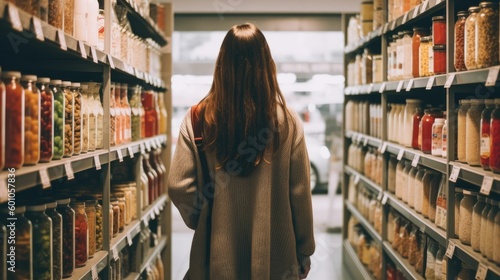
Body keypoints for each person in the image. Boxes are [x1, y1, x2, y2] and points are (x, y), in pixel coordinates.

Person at [168, 23, 315, 280]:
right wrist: (304, 249)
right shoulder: (288, 121)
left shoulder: (198, 118)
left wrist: (203, 218)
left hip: (216, 258)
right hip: (276, 261)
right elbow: (300, 192)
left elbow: (178, 185)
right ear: (267, 66)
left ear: (221, 64)